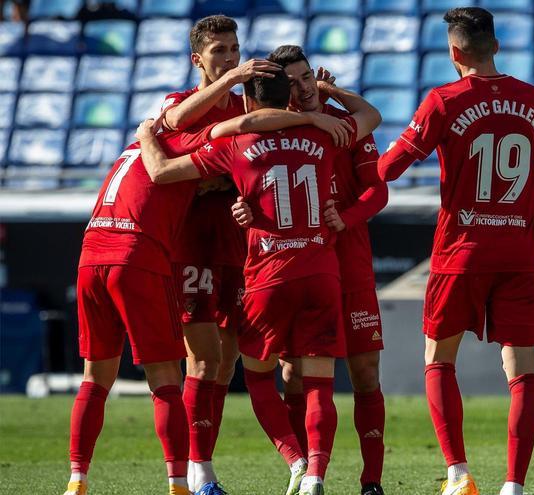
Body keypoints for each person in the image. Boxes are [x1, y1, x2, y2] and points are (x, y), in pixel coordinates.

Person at [64, 103, 332, 495]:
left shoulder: (138, 146)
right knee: (183, 370)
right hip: (160, 253)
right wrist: (309, 117)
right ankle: (188, 478)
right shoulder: (184, 130)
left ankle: (79, 478)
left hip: (106, 252)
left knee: (110, 375)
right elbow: (216, 139)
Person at [136, 68, 382, 495]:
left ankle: (295, 459)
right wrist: (321, 102)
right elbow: (371, 116)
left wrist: (144, 136)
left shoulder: (236, 142)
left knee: (257, 378)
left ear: (248, 101)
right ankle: (316, 474)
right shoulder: (324, 134)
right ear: (288, 98)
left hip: (269, 277)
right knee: (320, 383)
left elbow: (161, 172)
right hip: (321, 273)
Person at [376, 7, 534, 495]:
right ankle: (514, 485)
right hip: (519, 254)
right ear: (496, 46)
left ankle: (458, 474)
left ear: (454, 52)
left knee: (439, 359)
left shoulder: (443, 101)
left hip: (461, 252)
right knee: (522, 369)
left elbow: (388, 169)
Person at [231, 45, 390, 495]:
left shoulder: (339, 124)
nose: (304, 88)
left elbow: (377, 191)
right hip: (302, 266)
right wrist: (245, 209)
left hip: (348, 265)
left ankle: (371, 482)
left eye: (308, 78)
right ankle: (305, 474)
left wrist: (346, 217)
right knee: (293, 375)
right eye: (295, 81)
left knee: (365, 370)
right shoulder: (278, 132)